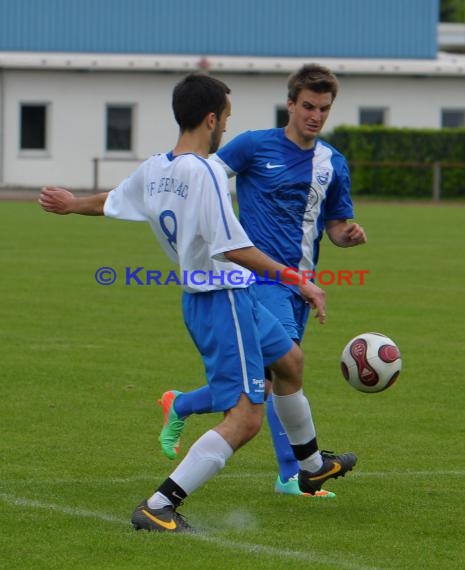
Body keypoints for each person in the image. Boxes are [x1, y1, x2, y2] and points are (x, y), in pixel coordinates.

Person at [39, 72, 357, 532]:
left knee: (289, 361)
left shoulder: (157, 168)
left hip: (225, 295)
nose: (227, 126)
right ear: (211, 119)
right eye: (226, 117)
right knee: (246, 417)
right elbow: (232, 248)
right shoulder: (206, 171)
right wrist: (299, 281)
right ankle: (159, 505)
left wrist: (72, 204)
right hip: (220, 297)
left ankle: (309, 468)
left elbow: (115, 200)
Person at [156, 64, 367, 498]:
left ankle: (180, 402)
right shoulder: (253, 146)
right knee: (285, 366)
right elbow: (203, 175)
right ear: (290, 104)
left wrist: (348, 235)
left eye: (323, 109)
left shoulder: (332, 163)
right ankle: (295, 474)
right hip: (257, 279)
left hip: (301, 284)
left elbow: (335, 225)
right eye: (307, 106)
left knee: (274, 379)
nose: (315, 115)